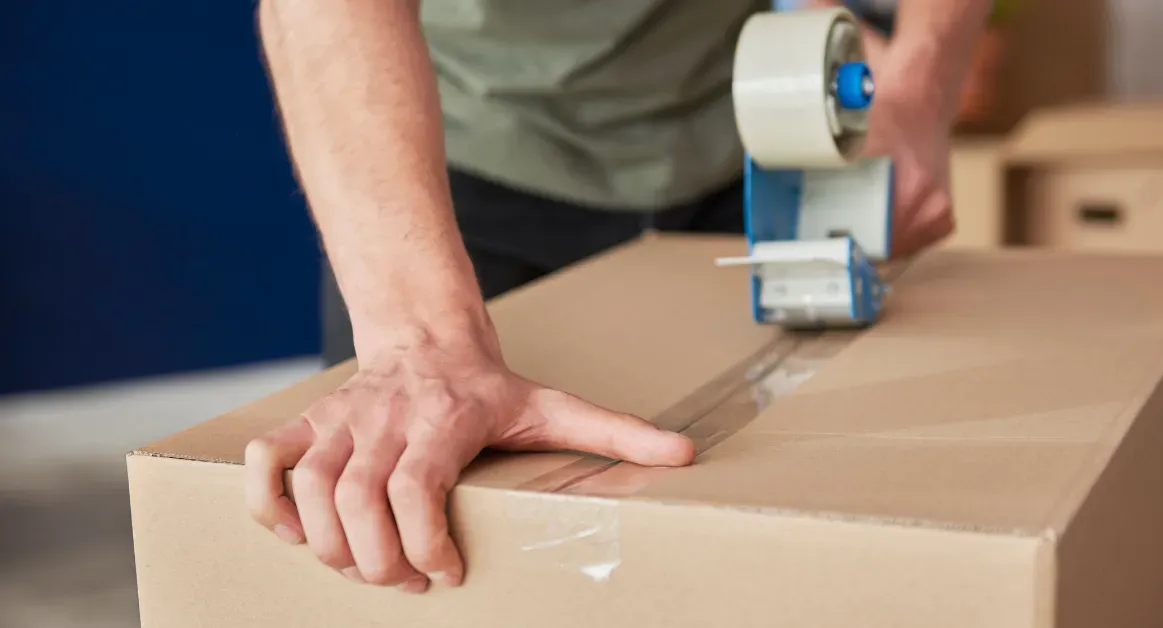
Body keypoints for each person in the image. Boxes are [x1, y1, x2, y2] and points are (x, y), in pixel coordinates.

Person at [245, 0, 992, 593]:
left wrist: (921, 87)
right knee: (399, 515)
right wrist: (423, 343)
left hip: (733, 130)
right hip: (455, 157)